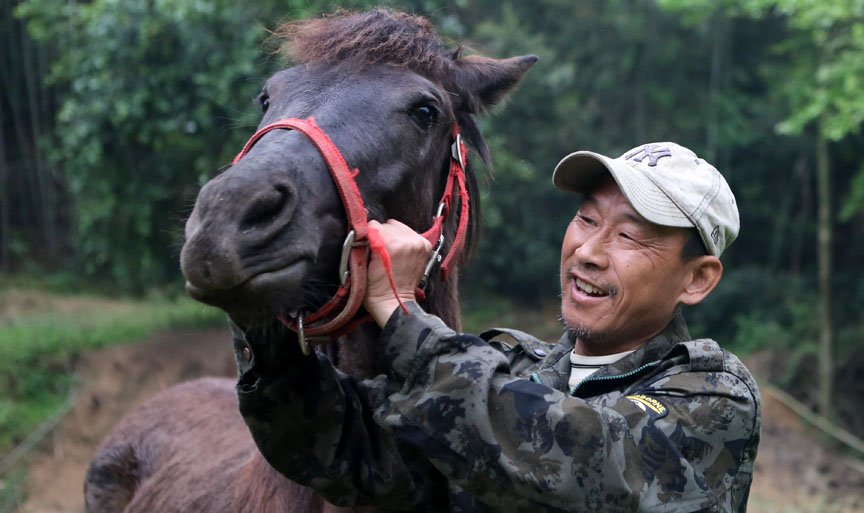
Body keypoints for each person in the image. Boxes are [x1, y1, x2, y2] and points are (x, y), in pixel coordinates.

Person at [235, 142, 761, 513]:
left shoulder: (715, 399)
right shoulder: (510, 365)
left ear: (697, 279)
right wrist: (265, 320)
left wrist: (400, 313)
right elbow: (348, 453)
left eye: (630, 236)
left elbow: (579, 463)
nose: (590, 252)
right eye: (587, 219)